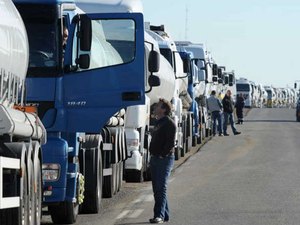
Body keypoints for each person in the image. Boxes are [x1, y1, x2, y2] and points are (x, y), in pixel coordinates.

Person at [149, 98, 176, 224]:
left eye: (158, 106)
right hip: (155, 158)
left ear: (164, 109)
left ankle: (158, 215)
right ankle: (165, 215)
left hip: (164, 159)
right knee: (157, 188)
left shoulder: (169, 124)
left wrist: (162, 155)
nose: (155, 107)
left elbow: (170, 143)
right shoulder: (158, 122)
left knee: (161, 187)